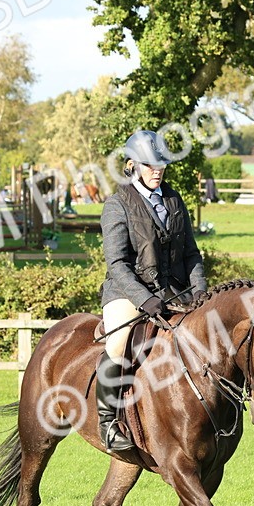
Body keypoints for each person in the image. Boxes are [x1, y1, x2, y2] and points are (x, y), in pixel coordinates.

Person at [97, 129, 208, 453]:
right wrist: (144, 298)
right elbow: (117, 263)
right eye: (149, 165)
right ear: (132, 164)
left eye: (161, 164)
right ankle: (107, 421)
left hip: (175, 293)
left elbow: (191, 254)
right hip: (128, 293)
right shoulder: (117, 204)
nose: (157, 170)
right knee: (118, 342)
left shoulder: (174, 200)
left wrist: (200, 292)